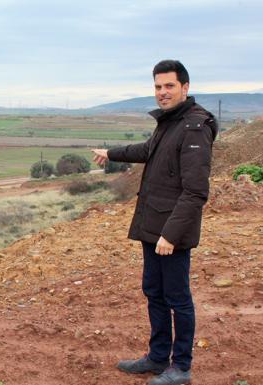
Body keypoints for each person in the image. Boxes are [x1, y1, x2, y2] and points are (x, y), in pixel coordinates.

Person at [91, 60, 218, 385]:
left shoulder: (194, 127)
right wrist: (112, 153)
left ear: (185, 88)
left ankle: (182, 368)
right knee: (154, 292)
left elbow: (195, 192)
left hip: (170, 232)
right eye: (158, 87)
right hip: (153, 225)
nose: (162, 92)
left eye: (169, 86)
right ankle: (158, 357)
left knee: (177, 297)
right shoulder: (170, 122)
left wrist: (170, 235)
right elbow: (149, 150)